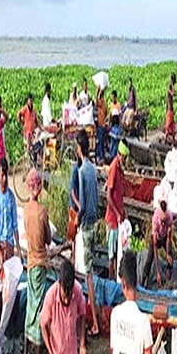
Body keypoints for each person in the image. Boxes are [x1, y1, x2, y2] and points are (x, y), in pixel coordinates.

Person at [71, 132, 104, 334]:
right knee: (90, 271)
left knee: (88, 276)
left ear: (79, 148)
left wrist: (77, 218)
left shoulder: (83, 171)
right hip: (95, 222)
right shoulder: (92, 168)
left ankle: (95, 323)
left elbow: (81, 205)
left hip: (87, 226)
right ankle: (95, 314)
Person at [21, 169, 52, 354]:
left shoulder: (25, 210)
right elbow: (48, 239)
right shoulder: (42, 212)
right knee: (39, 307)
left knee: (31, 305)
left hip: (30, 262)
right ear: (39, 188)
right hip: (40, 263)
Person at [40, 257, 87, 354]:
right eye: (64, 295)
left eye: (69, 294)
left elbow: (82, 314)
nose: (66, 299)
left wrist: (81, 345)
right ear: (59, 283)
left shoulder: (77, 291)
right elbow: (43, 325)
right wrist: (51, 353)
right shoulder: (50, 296)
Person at [105, 141, 128, 278]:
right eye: (124, 157)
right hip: (113, 219)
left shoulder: (120, 169)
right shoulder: (114, 167)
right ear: (120, 155)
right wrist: (118, 214)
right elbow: (109, 195)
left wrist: (122, 212)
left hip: (118, 216)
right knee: (112, 254)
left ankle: (114, 278)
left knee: (118, 251)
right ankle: (110, 279)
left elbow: (119, 194)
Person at [0, 158, 18, 268]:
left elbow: (15, 224)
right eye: (2, 176)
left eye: (5, 175)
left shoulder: (11, 197)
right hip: (0, 244)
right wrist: (0, 251)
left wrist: (18, 249)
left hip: (10, 245)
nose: (4, 179)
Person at [149, 198, 174, 286]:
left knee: (171, 257)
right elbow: (155, 248)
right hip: (156, 237)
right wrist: (158, 272)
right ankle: (144, 281)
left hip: (164, 237)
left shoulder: (170, 217)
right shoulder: (155, 219)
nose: (163, 224)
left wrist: (167, 253)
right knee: (149, 258)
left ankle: (168, 283)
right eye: (162, 222)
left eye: (165, 222)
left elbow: (168, 237)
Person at [18, 95, 39, 165]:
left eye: (31, 101)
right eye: (29, 101)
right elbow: (19, 114)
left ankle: (31, 162)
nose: (30, 102)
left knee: (34, 146)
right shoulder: (25, 109)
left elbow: (37, 122)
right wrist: (22, 123)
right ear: (27, 101)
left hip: (32, 133)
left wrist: (42, 128)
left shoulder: (33, 111)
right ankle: (26, 163)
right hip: (27, 133)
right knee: (27, 149)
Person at [94, 86, 109, 164]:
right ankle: (102, 156)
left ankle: (101, 157)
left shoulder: (101, 102)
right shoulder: (104, 103)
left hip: (101, 124)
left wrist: (97, 92)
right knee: (102, 142)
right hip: (103, 124)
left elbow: (96, 102)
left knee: (100, 142)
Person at [163, 72, 177, 138]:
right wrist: (172, 85)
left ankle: (173, 142)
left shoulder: (171, 86)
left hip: (170, 110)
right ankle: (165, 140)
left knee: (173, 127)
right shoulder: (169, 87)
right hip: (169, 110)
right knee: (168, 126)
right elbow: (173, 94)